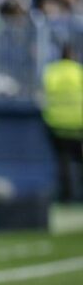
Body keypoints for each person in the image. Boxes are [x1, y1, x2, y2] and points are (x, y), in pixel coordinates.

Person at [42, 44, 83, 202]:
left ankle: (67, 196)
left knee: (63, 161)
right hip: (78, 124)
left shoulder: (51, 72)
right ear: (73, 55)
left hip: (56, 123)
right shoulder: (79, 71)